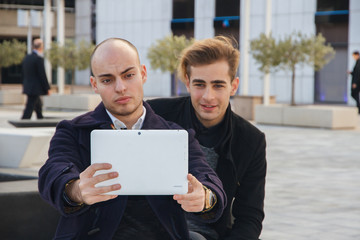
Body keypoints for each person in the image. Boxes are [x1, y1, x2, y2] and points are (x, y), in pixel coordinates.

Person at [38, 38, 226, 240]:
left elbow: (207, 177)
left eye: (128, 75)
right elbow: (53, 171)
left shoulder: (175, 136)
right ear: (95, 84)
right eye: (107, 80)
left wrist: (205, 197)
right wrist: (76, 190)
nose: (120, 87)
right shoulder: (73, 131)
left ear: (143, 74)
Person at [148, 36, 267, 240]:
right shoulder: (155, 114)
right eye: (200, 84)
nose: (208, 96)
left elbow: (249, 217)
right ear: (188, 82)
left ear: (234, 85)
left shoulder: (251, 140)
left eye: (218, 85)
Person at [21, 38, 51, 119]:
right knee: (30, 106)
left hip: (28, 86)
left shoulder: (27, 58)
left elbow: (23, 73)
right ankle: (24, 120)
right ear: (41, 47)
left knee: (38, 104)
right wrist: (47, 88)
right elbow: (42, 75)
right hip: (35, 88)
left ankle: (40, 117)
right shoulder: (38, 59)